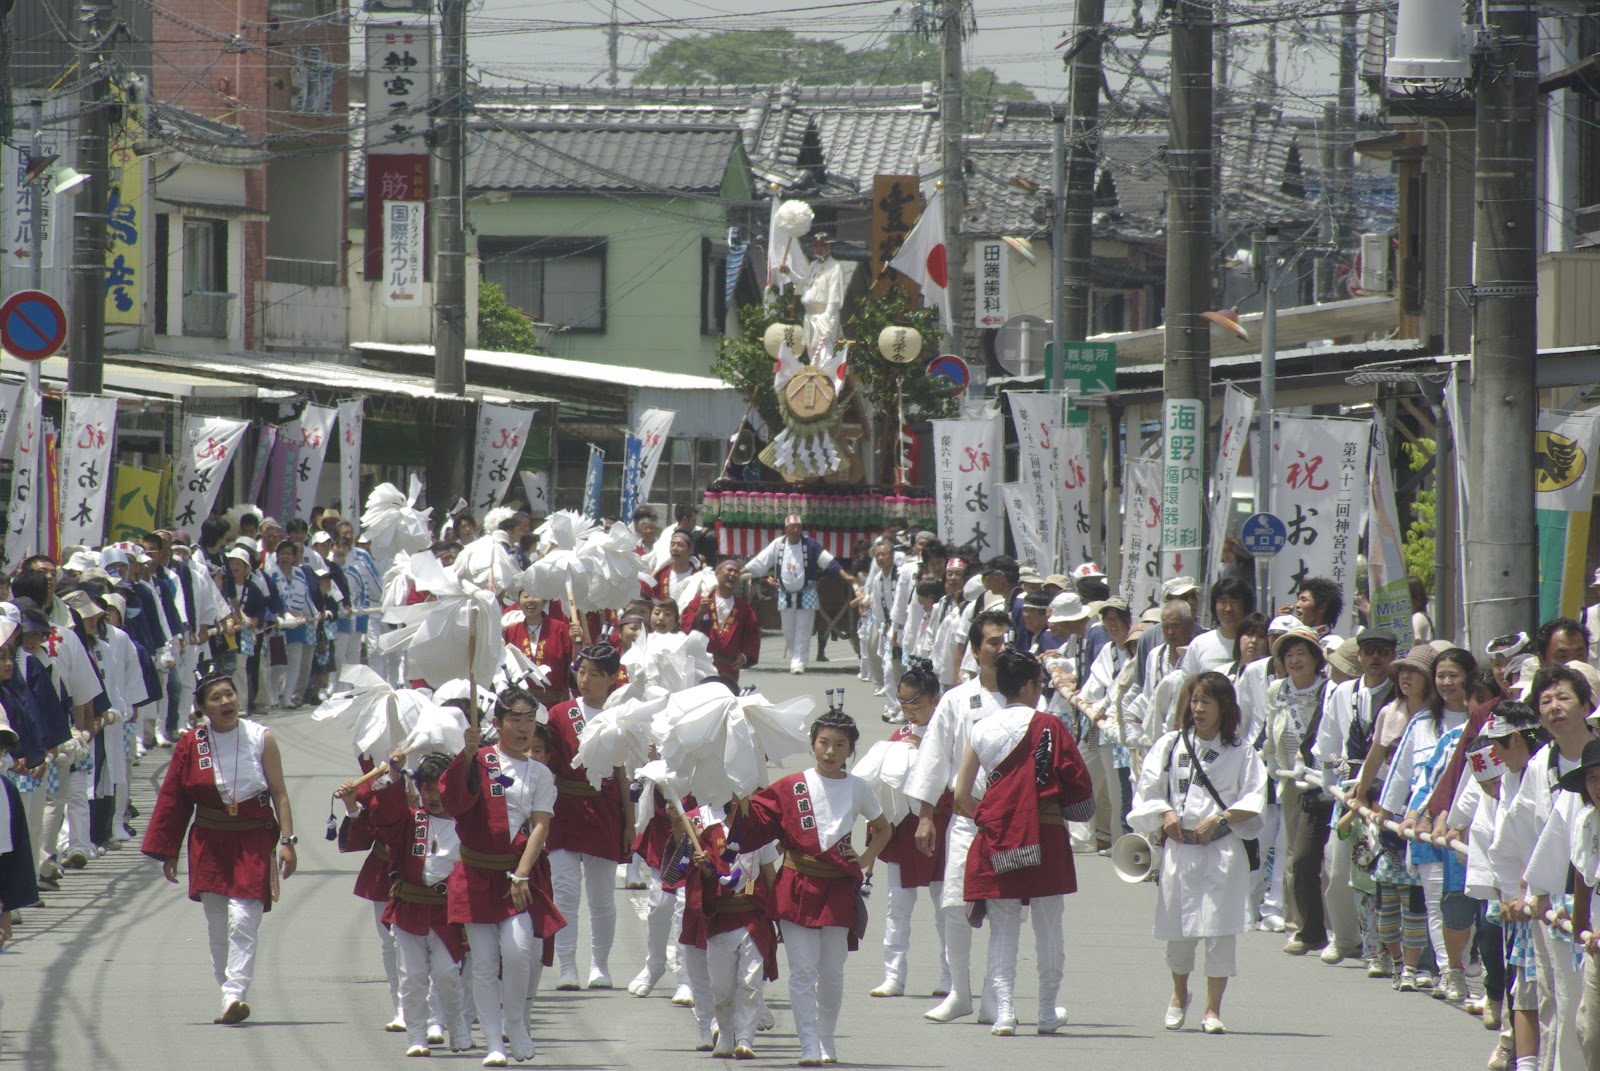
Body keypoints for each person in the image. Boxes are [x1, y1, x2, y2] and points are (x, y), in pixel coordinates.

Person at [735, 710, 893, 1066]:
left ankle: (825, 1039)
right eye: (824, 742)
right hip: (797, 883)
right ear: (812, 745)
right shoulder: (792, 785)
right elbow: (755, 821)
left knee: (832, 972)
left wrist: (866, 858)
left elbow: (883, 828)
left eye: (840, 745)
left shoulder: (858, 787)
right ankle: (808, 1044)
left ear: (851, 750)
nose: (830, 751)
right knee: (803, 970)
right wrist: (742, 794)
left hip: (838, 888)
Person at [141, 671, 297, 1024]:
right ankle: (227, 992)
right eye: (216, 698)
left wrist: (287, 841)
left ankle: (234, 993)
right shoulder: (191, 743)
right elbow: (173, 799)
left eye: (230, 694)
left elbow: (279, 793)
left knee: (243, 918)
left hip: (253, 838)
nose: (226, 702)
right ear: (200, 707)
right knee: (216, 924)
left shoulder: (261, 737)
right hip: (209, 841)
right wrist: (168, 850)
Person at [953, 650, 1095, 1035]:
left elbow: (962, 794)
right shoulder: (1050, 725)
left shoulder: (981, 729)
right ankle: (1047, 1011)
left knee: (1003, 927)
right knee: (1049, 924)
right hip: (1046, 835)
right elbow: (1080, 789)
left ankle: (1004, 1014)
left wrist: (998, 816)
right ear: (1031, 685)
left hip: (998, 837)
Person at [1129, 671, 1268, 1035]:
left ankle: (1212, 1009)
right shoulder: (1171, 745)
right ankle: (1179, 994)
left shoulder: (1242, 752)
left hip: (1222, 852)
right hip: (1181, 851)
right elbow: (1148, 788)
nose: (1199, 708)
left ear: (1224, 707)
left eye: (1207, 701)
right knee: (1179, 932)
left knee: (1220, 931)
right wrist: (1165, 812)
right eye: (1195, 700)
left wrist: (1222, 818)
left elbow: (1254, 799)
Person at [439, 687, 563, 1068]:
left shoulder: (539, 772)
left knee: (520, 950)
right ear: (497, 724)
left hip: (515, 876)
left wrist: (523, 874)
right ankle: (494, 1041)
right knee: (484, 962)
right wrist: (467, 755)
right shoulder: (479, 760)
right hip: (475, 873)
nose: (524, 728)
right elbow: (453, 802)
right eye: (516, 720)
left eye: (530, 720)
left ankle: (516, 1023)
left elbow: (541, 825)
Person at [903, 609, 1010, 1023]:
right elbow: (934, 758)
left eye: (1006, 640)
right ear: (975, 649)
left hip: (1011, 819)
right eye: (993, 642)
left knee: (1005, 911)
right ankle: (960, 992)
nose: (1001, 649)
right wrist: (926, 816)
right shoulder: (956, 698)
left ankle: (995, 997)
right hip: (968, 816)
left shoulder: (1027, 695)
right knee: (952, 903)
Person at [348, 752, 471, 1057]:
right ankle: (416, 1034)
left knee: (446, 972)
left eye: (441, 787)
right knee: (413, 974)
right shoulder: (410, 819)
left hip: (446, 911)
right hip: (409, 906)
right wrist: (394, 772)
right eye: (427, 788)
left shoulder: (465, 823)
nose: (434, 795)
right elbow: (386, 814)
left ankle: (455, 1024)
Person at [1384, 647, 1478, 1004]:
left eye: (1453, 675)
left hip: (1468, 828)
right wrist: (1391, 815)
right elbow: (1401, 777)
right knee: (1438, 903)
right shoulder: (1422, 723)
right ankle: (1448, 972)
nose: (1446, 682)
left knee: (1467, 905)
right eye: (1440, 675)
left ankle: (1463, 965)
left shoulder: (1481, 721)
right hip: (1426, 828)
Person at [544, 643, 634, 989]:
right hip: (565, 809)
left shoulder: (621, 716)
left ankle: (600, 966)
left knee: (601, 897)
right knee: (565, 892)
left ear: (612, 678)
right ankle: (568, 966)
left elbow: (623, 774)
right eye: (581, 671)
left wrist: (630, 821)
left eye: (595, 675)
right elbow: (546, 768)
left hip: (604, 812)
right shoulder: (560, 713)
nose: (585, 680)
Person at [871, 662, 952, 999]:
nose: (910, 713)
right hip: (903, 827)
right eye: (904, 706)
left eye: (916, 706)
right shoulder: (898, 735)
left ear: (936, 700)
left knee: (946, 905)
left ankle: (951, 975)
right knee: (897, 905)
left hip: (942, 824)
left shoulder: (949, 734)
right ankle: (894, 974)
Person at [683, 798, 780, 1059]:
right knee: (722, 987)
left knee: (750, 982)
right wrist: (703, 868)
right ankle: (725, 1035)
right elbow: (701, 881)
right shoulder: (709, 834)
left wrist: (780, 920)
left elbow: (770, 877)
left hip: (753, 919)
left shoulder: (761, 837)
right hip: (721, 921)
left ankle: (746, 1038)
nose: (745, 805)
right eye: (740, 800)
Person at [1262, 624, 1331, 956]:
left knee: (1325, 857)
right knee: (1293, 854)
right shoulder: (1276, 690)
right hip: (1290, 779)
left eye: (1301, 653)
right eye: (1288, 654)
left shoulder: (1328, 691)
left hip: (1324, 779)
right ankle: (1298, 925)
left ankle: (1330, 924)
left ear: (1316, 658)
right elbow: (1268, 729)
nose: (1293, 660)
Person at [744, 516, 851, 675]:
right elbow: (760, 563)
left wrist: (845, 575)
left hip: (806, 592)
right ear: (786, 529)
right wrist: (740, 571)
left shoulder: (810, 544)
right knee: (787, 629)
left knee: (804, 628)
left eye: (798, 527)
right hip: (785, 593)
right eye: (792, 527)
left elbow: (827, 561)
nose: (795, 530)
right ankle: (797, 657)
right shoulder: (778, 545)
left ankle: (799, 661)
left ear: (801, 529)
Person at [682, 557, 761, 684]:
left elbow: (752, 637)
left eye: (737, 572)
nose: (733, 574)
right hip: (702, 666)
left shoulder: (743, 608)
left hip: (728, 669)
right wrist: (700, 613)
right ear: (717, 573)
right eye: (729, 570)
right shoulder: (700, 601)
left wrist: (744, 656)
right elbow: (684, 627)